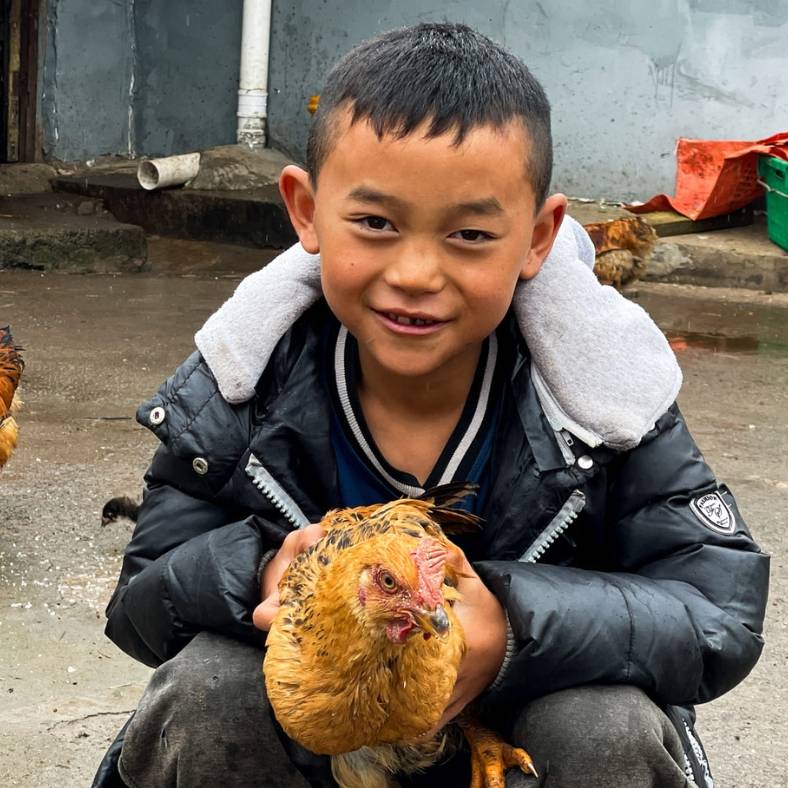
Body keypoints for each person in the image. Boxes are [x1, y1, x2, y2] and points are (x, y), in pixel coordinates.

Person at [92, 23, 769, 788]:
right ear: (305, 210)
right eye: (376, 223)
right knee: (205, 690)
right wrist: (255, 571)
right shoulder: (239, 390)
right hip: (309, 741)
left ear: (540, 237)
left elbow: (718, 613)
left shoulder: (605, 400)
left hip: (518, 737)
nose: (416, 272)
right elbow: (141, 603)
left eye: (471, 233)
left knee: (604, 726)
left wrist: (513, 627)